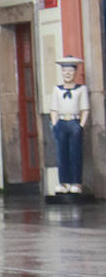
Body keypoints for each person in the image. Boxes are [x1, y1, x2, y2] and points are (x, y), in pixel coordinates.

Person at [49, 56, 89, 194]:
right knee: (61, 154)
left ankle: (76, 182)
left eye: (70, 71)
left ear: (75, 73)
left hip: (74, 122)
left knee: (75, 153)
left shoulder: (81, 89)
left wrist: (81, 125)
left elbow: (85, 109)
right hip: (61, 122)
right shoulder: (57, 89)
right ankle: (63, 182)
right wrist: (55, 124)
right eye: (65, 71)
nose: (67, 74)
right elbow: (53, 109)